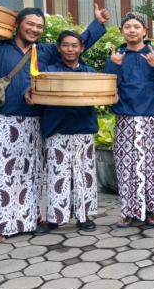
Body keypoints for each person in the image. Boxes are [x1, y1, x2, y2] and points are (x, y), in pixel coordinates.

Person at [0, 4, 109, 243]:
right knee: (2, 175)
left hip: (36, 122)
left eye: (39, 26)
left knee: (32, 175)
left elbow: (74, 45)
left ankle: (29, 219)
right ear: (18, 25)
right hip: (4, 121)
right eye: (30, 24)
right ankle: (0, 224)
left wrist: (97, 24)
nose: (35, 29)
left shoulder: (44, 51)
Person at [26, 30, 99, 234]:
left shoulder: (90, 72)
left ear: (81, 48)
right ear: (58, 48)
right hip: (57, 130)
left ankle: (84, 217)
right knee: (57, 175)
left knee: (84, 175)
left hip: (83, 128)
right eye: (65, 45)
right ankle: (54, 218)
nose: (70, 49)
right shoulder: (48, 71)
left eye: (74, 45)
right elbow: (37, 92)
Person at [104, 12, 154, 228]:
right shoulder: (117, 56)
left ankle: (152, 210)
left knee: (153, 165)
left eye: (137, 27)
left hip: (151, 116)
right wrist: (113, 66)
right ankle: (128, 211)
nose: (132, 30)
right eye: (127, 27)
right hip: (125, 117)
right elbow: (107, 87)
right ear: (121, 31)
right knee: (126, 165)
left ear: (145, 31)